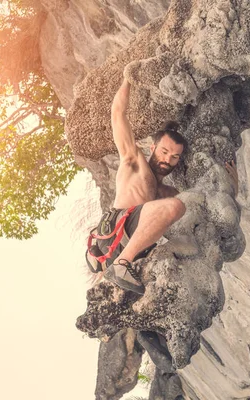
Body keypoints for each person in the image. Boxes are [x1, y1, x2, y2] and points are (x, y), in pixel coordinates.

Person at [92, 77, 238, 295]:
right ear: (153, 147)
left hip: (131, 248)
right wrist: (127, 77)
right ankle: (121, 265)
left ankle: (119, 268)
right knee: (176, 207)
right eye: (164, 152)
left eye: (175, 157)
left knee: (182, 209)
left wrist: (233, 187)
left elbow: (209, 210)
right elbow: (117, 114)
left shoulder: (168, 193)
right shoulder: (134, 162)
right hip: (116, 233)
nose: (167, 160)